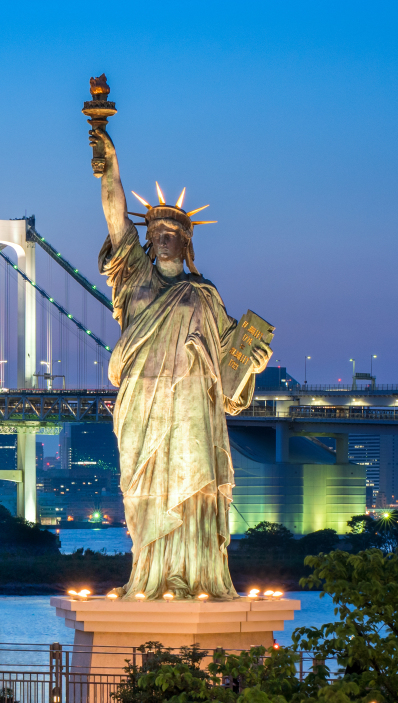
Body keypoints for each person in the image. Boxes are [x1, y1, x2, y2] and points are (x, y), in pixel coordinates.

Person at [90, 125, 271, 600]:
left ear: (187, 242)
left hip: (193, 408)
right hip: (144, 404)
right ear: (147, 239)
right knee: (147, 489)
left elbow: (231, 367)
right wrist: (109, 165)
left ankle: (194, 575)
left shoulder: (204, 295)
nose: (165, 238)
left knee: (193, 489)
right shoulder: (134, 277)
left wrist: (254, 359)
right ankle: (151, 573)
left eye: (173, 232)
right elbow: (115, 217)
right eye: (157, 231)